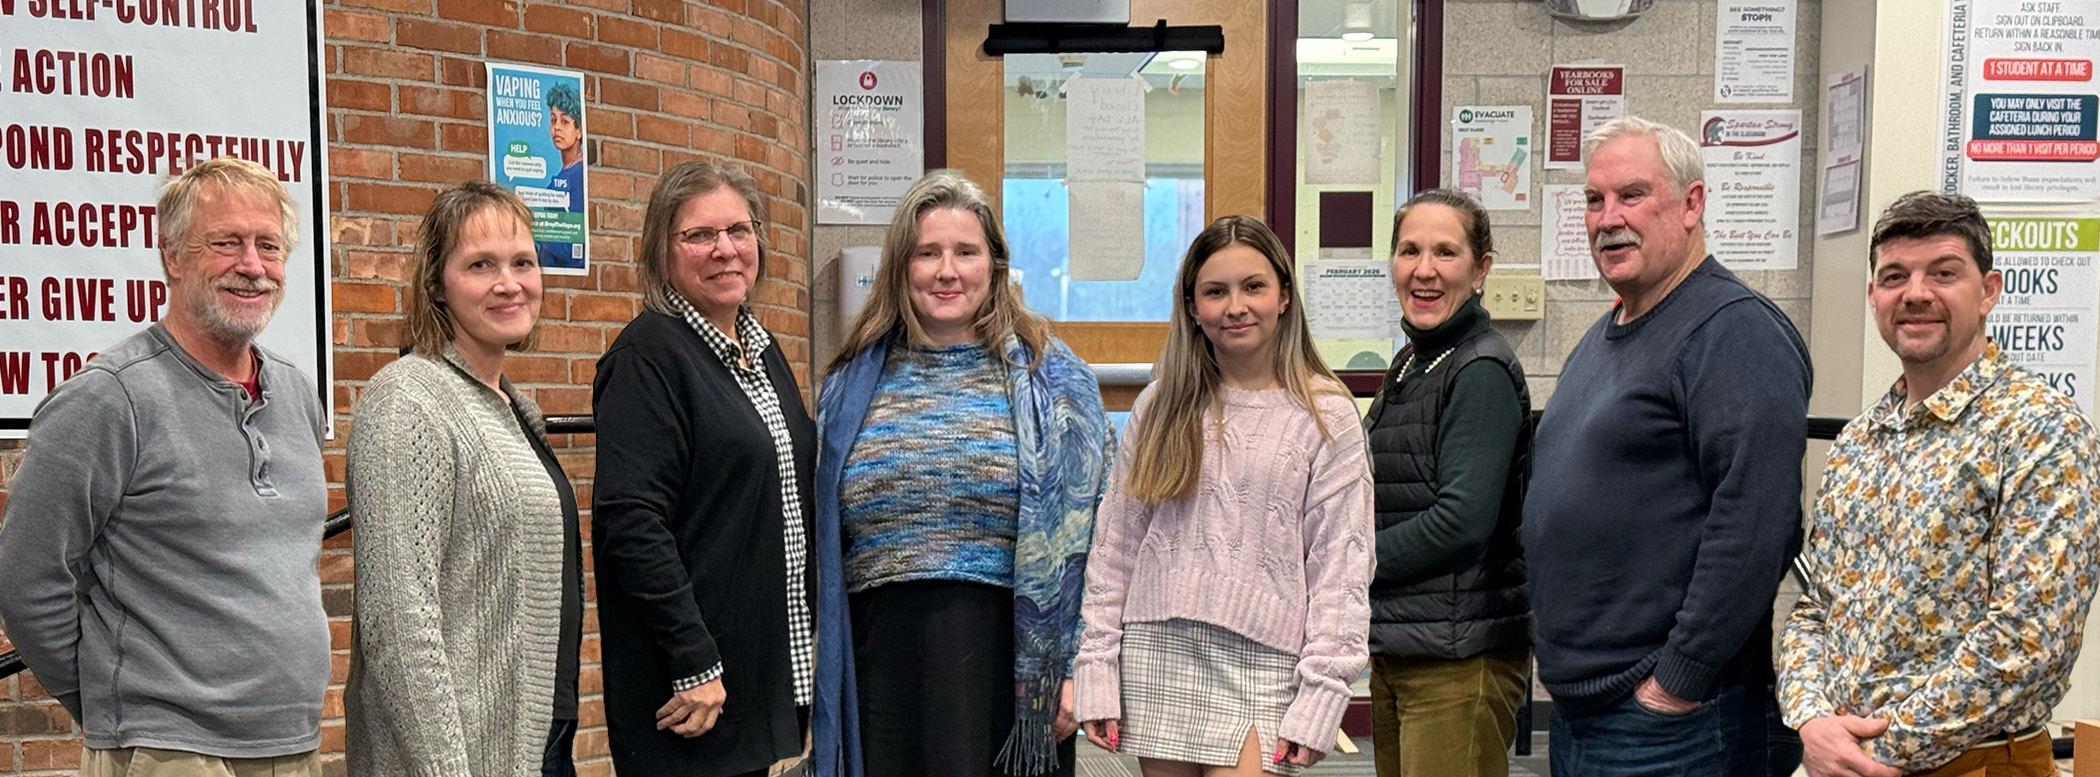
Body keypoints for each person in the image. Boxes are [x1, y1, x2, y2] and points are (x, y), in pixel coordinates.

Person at [0, 157, 329, 776]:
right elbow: (27, 578)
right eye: (226, 243)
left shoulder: (294, 393)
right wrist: (115, 703)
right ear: (173, 257)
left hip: (291, 744)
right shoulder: (108, 396)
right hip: (167, 751)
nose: (252, 266)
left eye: (268, 246)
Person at [1523, 116, 1810, 776]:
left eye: (1632, 194)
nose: (1608, 217)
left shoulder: (1733, 331)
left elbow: (1757, 520)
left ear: (1692, 204)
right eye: (1594, 200)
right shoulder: (1607, 333)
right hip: (1589, 711)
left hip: (1668, 719)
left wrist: (1677, 680)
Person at [1779, 192, 2100, 777]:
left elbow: (2028, 638)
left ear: (1989, 292)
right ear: (1874, 296)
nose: (1916, 294)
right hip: (1840, 757)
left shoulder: (2040, 430)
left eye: (1944, 273)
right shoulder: (1861, 439)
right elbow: (1817, 609)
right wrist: (1811, 719)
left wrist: (1878, 750)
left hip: (1973, 763)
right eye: (1895, 276)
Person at [810, 173, 1113, 777]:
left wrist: (1078, 669)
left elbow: (1102, 539)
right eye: (928, 253)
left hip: (1011, 664)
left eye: (966, 252)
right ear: (902, 266)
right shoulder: (847, 385)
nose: (947, 271)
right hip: (880, 664)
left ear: (995, 265)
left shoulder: (1058, 382)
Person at [1074, 215, 1373, 777]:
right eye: (1216, 291)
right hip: (1159, 652)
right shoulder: (1159, 406)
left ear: (1284, 296)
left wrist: (1323, 695)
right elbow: (1114, 550)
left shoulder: (1326, 415)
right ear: (1192, 307)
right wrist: (1096, 669)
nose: (1235, 306)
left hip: (1267, 664)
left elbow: (1342, 570)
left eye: (1253, 286)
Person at [344, 180, 584, 777]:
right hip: (460, 759)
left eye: (522, 263)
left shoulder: (507, 407)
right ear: (437, 285)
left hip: (533, 743)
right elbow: (399, 623)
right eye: (481, 265)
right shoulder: (408, 402)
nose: (509, 283)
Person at [592, 161, 816, 777]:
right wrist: (694, 657)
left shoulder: (762, 354)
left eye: (739, 231)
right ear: (662, 252)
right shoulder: (649, 357)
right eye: (700, 235)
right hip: (690, 691)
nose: (726, 250)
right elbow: (631, 523)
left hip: (753, 681)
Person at [1362, 189, 1532, 777]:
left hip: (1459, 657)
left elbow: (1460, 523)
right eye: (1409, 251)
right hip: (1408, 643)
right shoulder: (1414, 362)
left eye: (1446, 252)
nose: (1424, 270)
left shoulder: (1479, 369)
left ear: (1481, 269)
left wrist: (1349, 564)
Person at [542, 82, 585, 269]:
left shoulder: (579, 174)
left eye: (564, 121)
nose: (557, 128)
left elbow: (577, 243)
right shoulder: (566, 170)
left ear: (579, 130)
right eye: (553, 120)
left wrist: (541, 234)